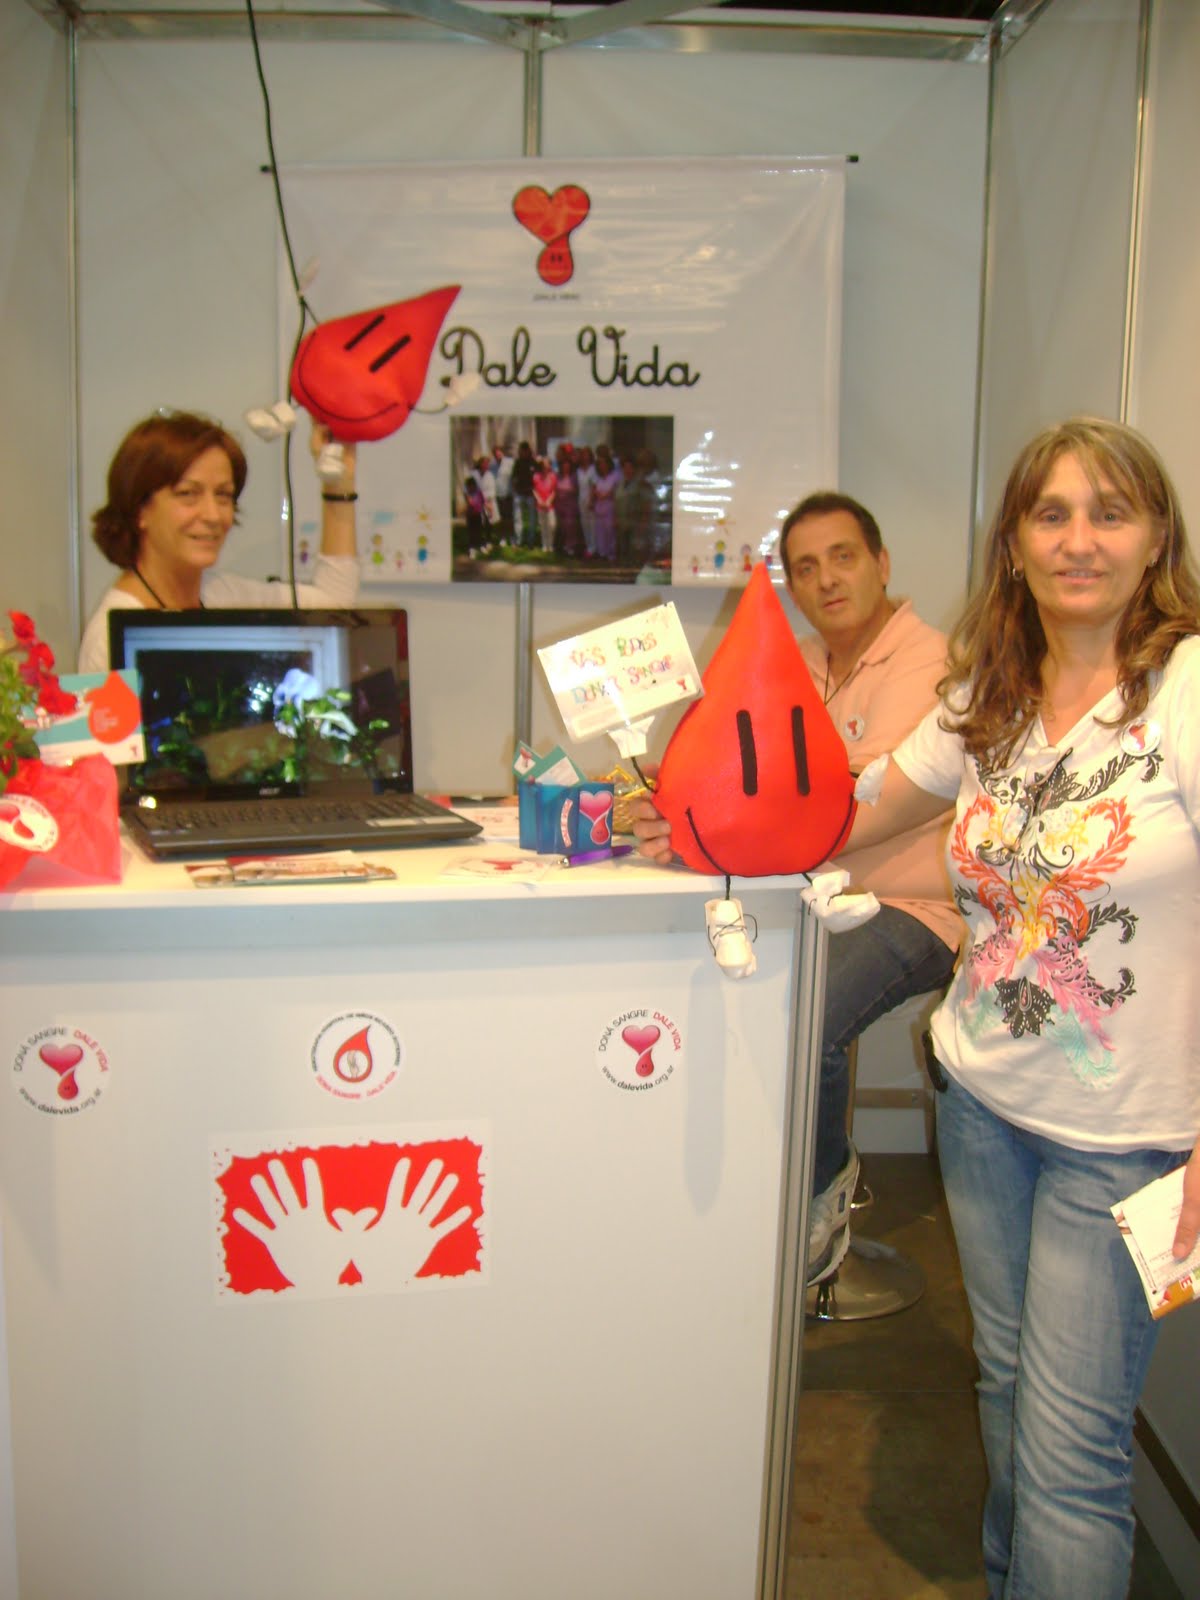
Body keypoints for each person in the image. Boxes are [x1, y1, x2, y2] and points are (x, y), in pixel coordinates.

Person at [638, 418, 1200, 1599]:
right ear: (1015, 541)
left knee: (1073, 1456)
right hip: (984, 1103)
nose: (1080, 540)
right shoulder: (993, 690)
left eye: (1110, 513)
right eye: (1052, 514)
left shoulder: (1187, 690)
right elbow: (847, 809)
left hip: (1127, 1142)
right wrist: (704, 818)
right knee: (1005, 1386)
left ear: (1157, 537)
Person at [778, 492, 960, 1282]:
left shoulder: (929, 659)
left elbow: (871, 795)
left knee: (807, 1015)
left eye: (843, 557)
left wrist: (774, 797)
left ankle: (821, 1190)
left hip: (918, 907)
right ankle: (775, 1187)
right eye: (805, 567)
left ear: (882, 565)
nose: (826, 579)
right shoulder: (799, 660)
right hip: (816, 899)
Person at [79, 410, 359, 673]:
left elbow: (333, 608)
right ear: (139, 510)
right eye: (188, 494)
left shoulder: (219, 595)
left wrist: (339, 484)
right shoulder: (107, 639)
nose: (213, 515)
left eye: (223, 495)